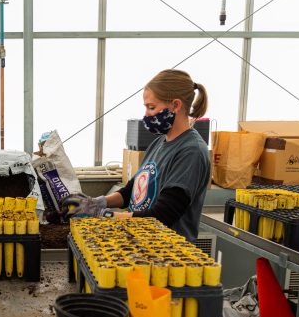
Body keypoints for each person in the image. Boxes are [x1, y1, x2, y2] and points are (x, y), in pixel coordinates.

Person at [62, 69, 210, 241]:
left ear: (176, 105)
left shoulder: (191, 152)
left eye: (152, 107)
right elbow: (131, 192)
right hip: (142, 246)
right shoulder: (159, 143)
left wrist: (103, 214)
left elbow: (161, 217)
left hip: (167, 255)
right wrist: (97, 202)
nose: (146, 114)